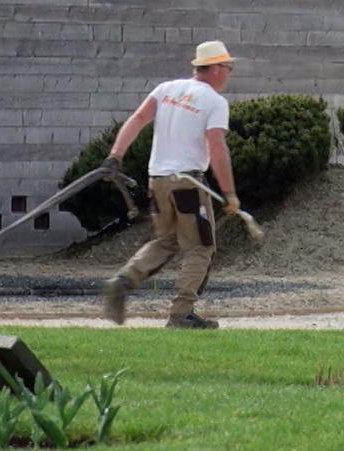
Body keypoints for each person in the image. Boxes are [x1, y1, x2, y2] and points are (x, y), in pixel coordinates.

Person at [98, 40, 241, 329]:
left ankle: (123, 281)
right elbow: (216, 147)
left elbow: (138, 119)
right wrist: (229, 193)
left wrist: (115, 156)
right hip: (188, 183)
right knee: (200, 247)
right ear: (213, 68)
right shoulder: (214, 102)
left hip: (158, 181)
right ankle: (181, 313)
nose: (229, 72)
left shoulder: (166, 90)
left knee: (166, 241)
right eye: (227, 67)